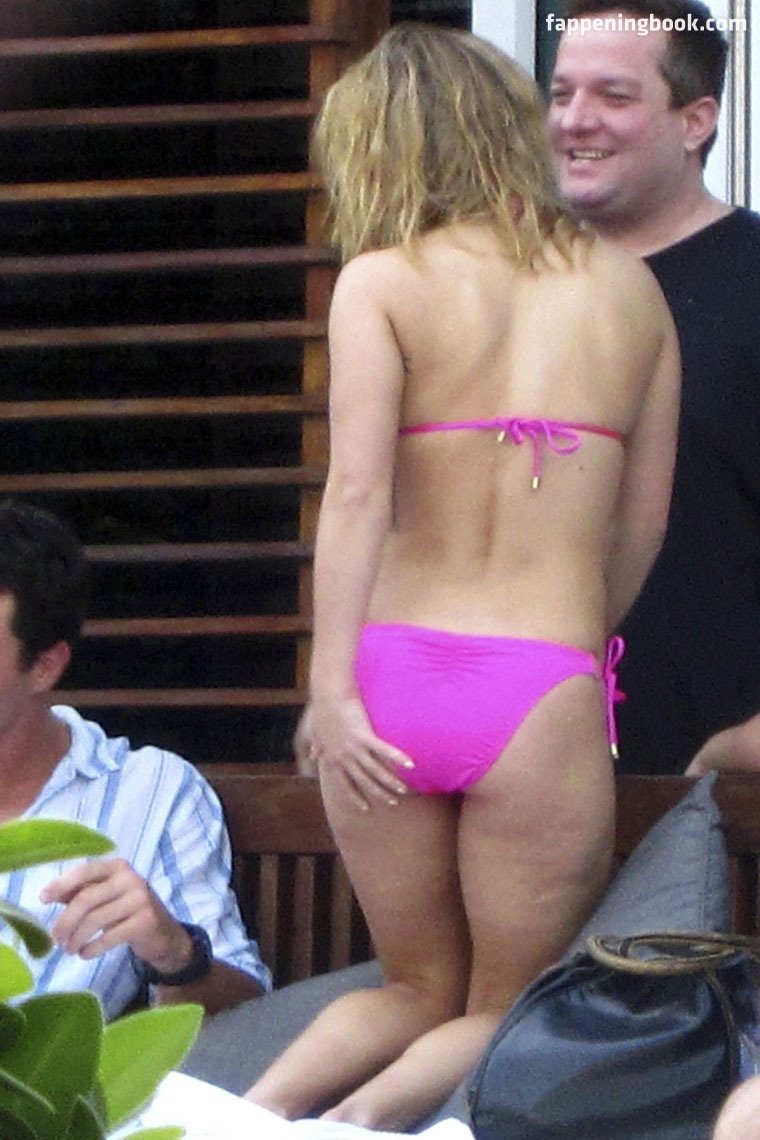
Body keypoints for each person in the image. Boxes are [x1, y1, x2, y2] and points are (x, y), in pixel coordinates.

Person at [243, 22, 679, 1131]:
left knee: (411, 988)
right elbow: (641, 526)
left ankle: (253, 1112)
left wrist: (330, 691)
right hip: (539, 683)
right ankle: (352, 1127)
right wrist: (568, 649)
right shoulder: (631, 293)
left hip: (386, 676)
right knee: (506, 1004)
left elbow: (355, 495)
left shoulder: (381, 282)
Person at [548, 0, 760, 775]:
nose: (575, 120)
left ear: (696, 121)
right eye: (561, 93)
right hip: (527, 777)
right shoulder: (507, 286)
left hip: (724, 786)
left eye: (613, 95)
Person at [0, 498, 272, 1019]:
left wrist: (174, 954)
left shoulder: (148, 791)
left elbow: (246, 1011)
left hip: (47, 1071)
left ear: (44, 666)